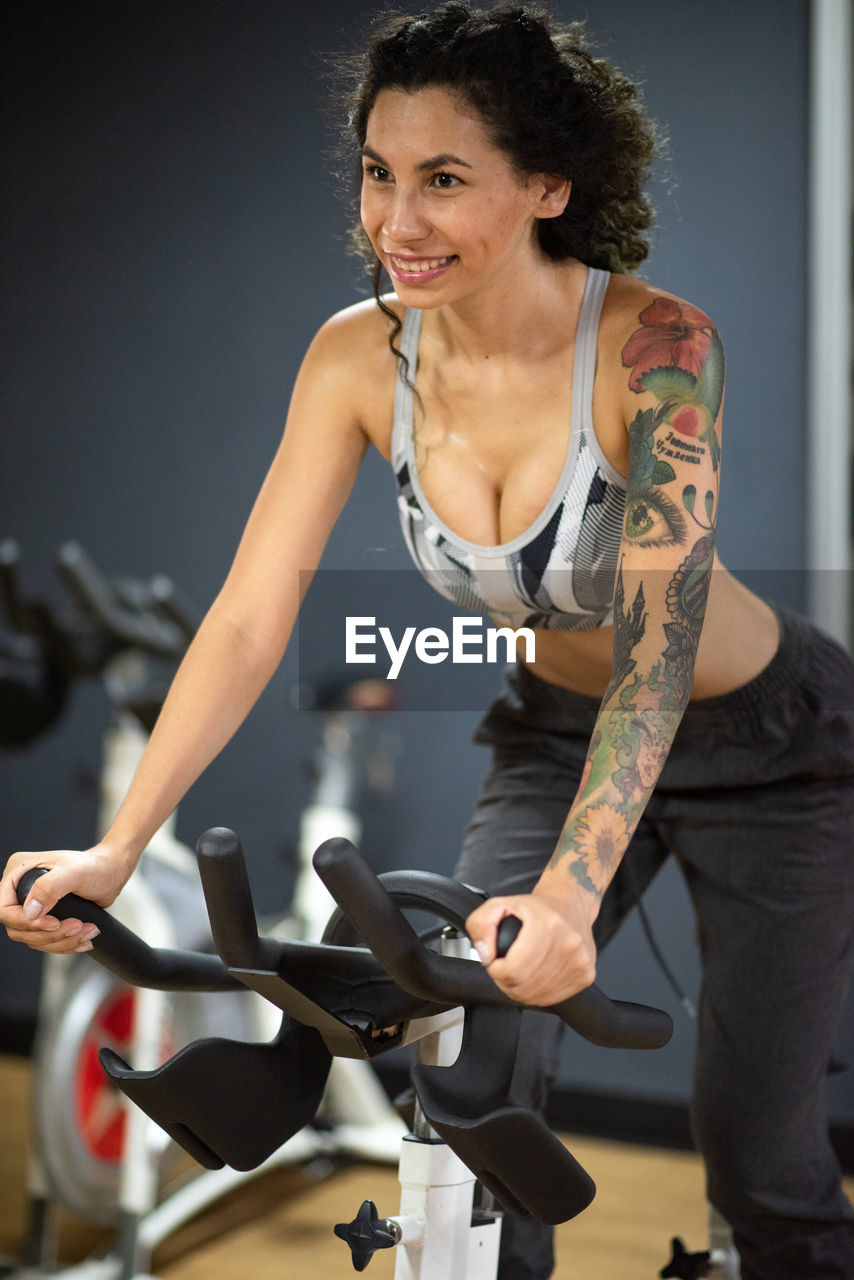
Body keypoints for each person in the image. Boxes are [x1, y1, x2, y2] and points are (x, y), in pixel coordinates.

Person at [2, 5, 853, 1277]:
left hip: (769, 745)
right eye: (376, 173)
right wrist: (125, 842)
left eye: (443, 179)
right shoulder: (358, 354)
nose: (396, 221)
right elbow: (249, 611)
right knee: (470, 1077)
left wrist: (569, 889)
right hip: (555, 732)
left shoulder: (656, 347)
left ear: (547, 185)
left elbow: (657, 645)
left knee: (758, 1150)